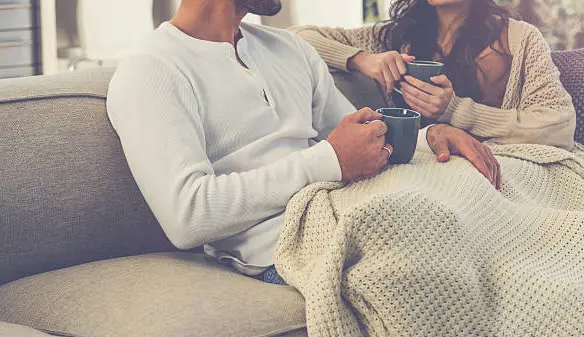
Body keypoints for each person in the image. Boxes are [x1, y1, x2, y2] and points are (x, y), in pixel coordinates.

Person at [106, 0, 502, 285]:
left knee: (495, 192)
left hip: (350, 205)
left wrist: (428, 136)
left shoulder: (289, 49)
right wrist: (328, 160)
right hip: (290, 247)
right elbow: (187, 216)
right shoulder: (151, 71)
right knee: (447, 247)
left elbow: (359, 140)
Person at [291, 0, 576, 158]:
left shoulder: (519, 38)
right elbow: (296, 37)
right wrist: (363, 59)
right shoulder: (397, 36)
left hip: (500, 167)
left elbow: (559, 125)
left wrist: (457, 111)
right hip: (423, 168)